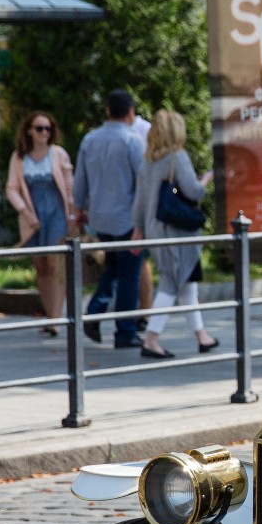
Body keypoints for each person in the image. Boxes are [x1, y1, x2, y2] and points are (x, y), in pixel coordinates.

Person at [132, 109, 218, 360]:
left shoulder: (146, 161)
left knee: (186, 282)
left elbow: (139, 202)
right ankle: (151, 339)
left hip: (155, 229)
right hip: (176, 232)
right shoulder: (177, 157)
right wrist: (206, 180)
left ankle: (202, 336)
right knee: (171, 283)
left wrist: (138, 229)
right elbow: (193, 192)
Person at [71, 89, 147, 348]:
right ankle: (124, 331)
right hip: (128, 219)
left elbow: (79, 179)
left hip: (100, 218)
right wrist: (143, 221)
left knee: (113, 268)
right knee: (128, 274)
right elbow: (143, 183)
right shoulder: (133, 140)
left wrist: (78, 209)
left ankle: (95, 311)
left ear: (106, 110)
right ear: (130, 112)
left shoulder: (90, 140)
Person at [5, 111, 76, 336]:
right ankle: (49, 314)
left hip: (56, 214)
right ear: (29, 131)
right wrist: (26, 213)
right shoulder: (19, 157)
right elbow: (12, 188)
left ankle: (55, 318)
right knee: (41, 266)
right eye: (39, 128)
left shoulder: (58, 154)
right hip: (33, 217)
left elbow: (69, 186)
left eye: (47, 128)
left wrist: (73, 215)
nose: (44, 133)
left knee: (56, 265)